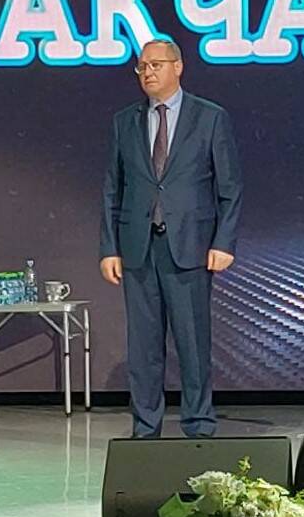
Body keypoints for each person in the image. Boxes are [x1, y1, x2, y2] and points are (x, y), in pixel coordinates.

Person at [99, 38, 243, 438]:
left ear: (178, 67)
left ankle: (198, 426)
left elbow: (230, 187)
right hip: (138, 249)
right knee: (143, 349)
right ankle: (145, 429)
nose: (147, 72)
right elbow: (113, 188)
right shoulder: (125, 121)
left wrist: (224, 242)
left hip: (190, 247)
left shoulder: (209, 117)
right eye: (142, 66)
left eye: (156, 65)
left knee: (193, 345)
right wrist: (109, 248)